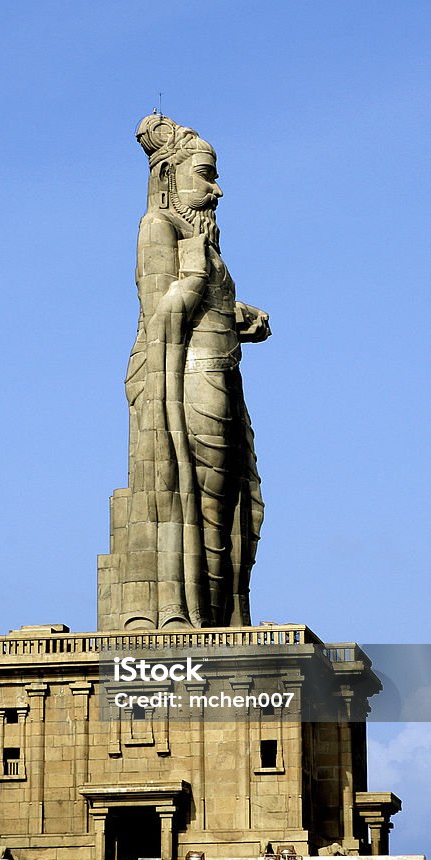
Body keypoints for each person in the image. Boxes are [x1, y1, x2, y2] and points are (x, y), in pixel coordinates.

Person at [121, 115, 270, 631]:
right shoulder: (157, 227)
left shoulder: (204, 240)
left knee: (228, 501)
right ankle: (175, 613)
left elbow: (201, 307)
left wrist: (238, 314)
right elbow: (161, 312)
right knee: (189, 495)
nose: (217, 190)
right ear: (168, 178)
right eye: (205, 175)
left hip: (222, 376)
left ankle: (223, 615)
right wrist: (196, 275)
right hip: (185, 380)